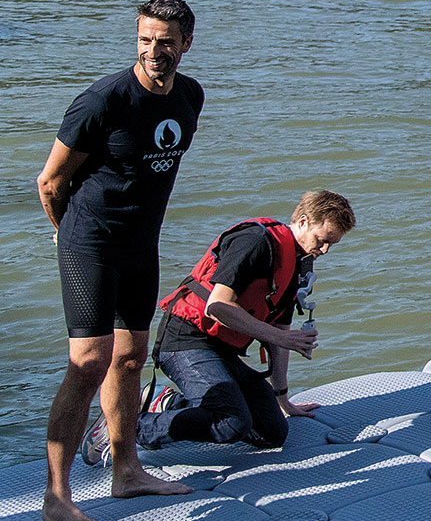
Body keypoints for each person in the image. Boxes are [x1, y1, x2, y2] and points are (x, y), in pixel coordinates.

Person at [37, 0, 202, 521]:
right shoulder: (103, 100)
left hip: (140, 245)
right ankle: (56, 500)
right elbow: (50, 182)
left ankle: (126, 471)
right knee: (89, 362)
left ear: (185, 44)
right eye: (145, 40)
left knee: (129, 361)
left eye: (165, 41)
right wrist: (66, 234)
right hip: (89, 241)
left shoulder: (189, 96)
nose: (154, 51)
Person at [133, 192, 357, 453]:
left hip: (222, 350)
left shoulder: (296, 265)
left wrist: (283, 399)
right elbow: (217, 306)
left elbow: (280, 331)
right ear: (304, 221)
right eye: (323, 240)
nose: (325, 250)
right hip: (185, 340)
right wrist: (281, 338)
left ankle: (169, 403)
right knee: (231, 422)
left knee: (272, 432)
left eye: (333, 244)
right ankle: (128, 429)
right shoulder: (255, 241)